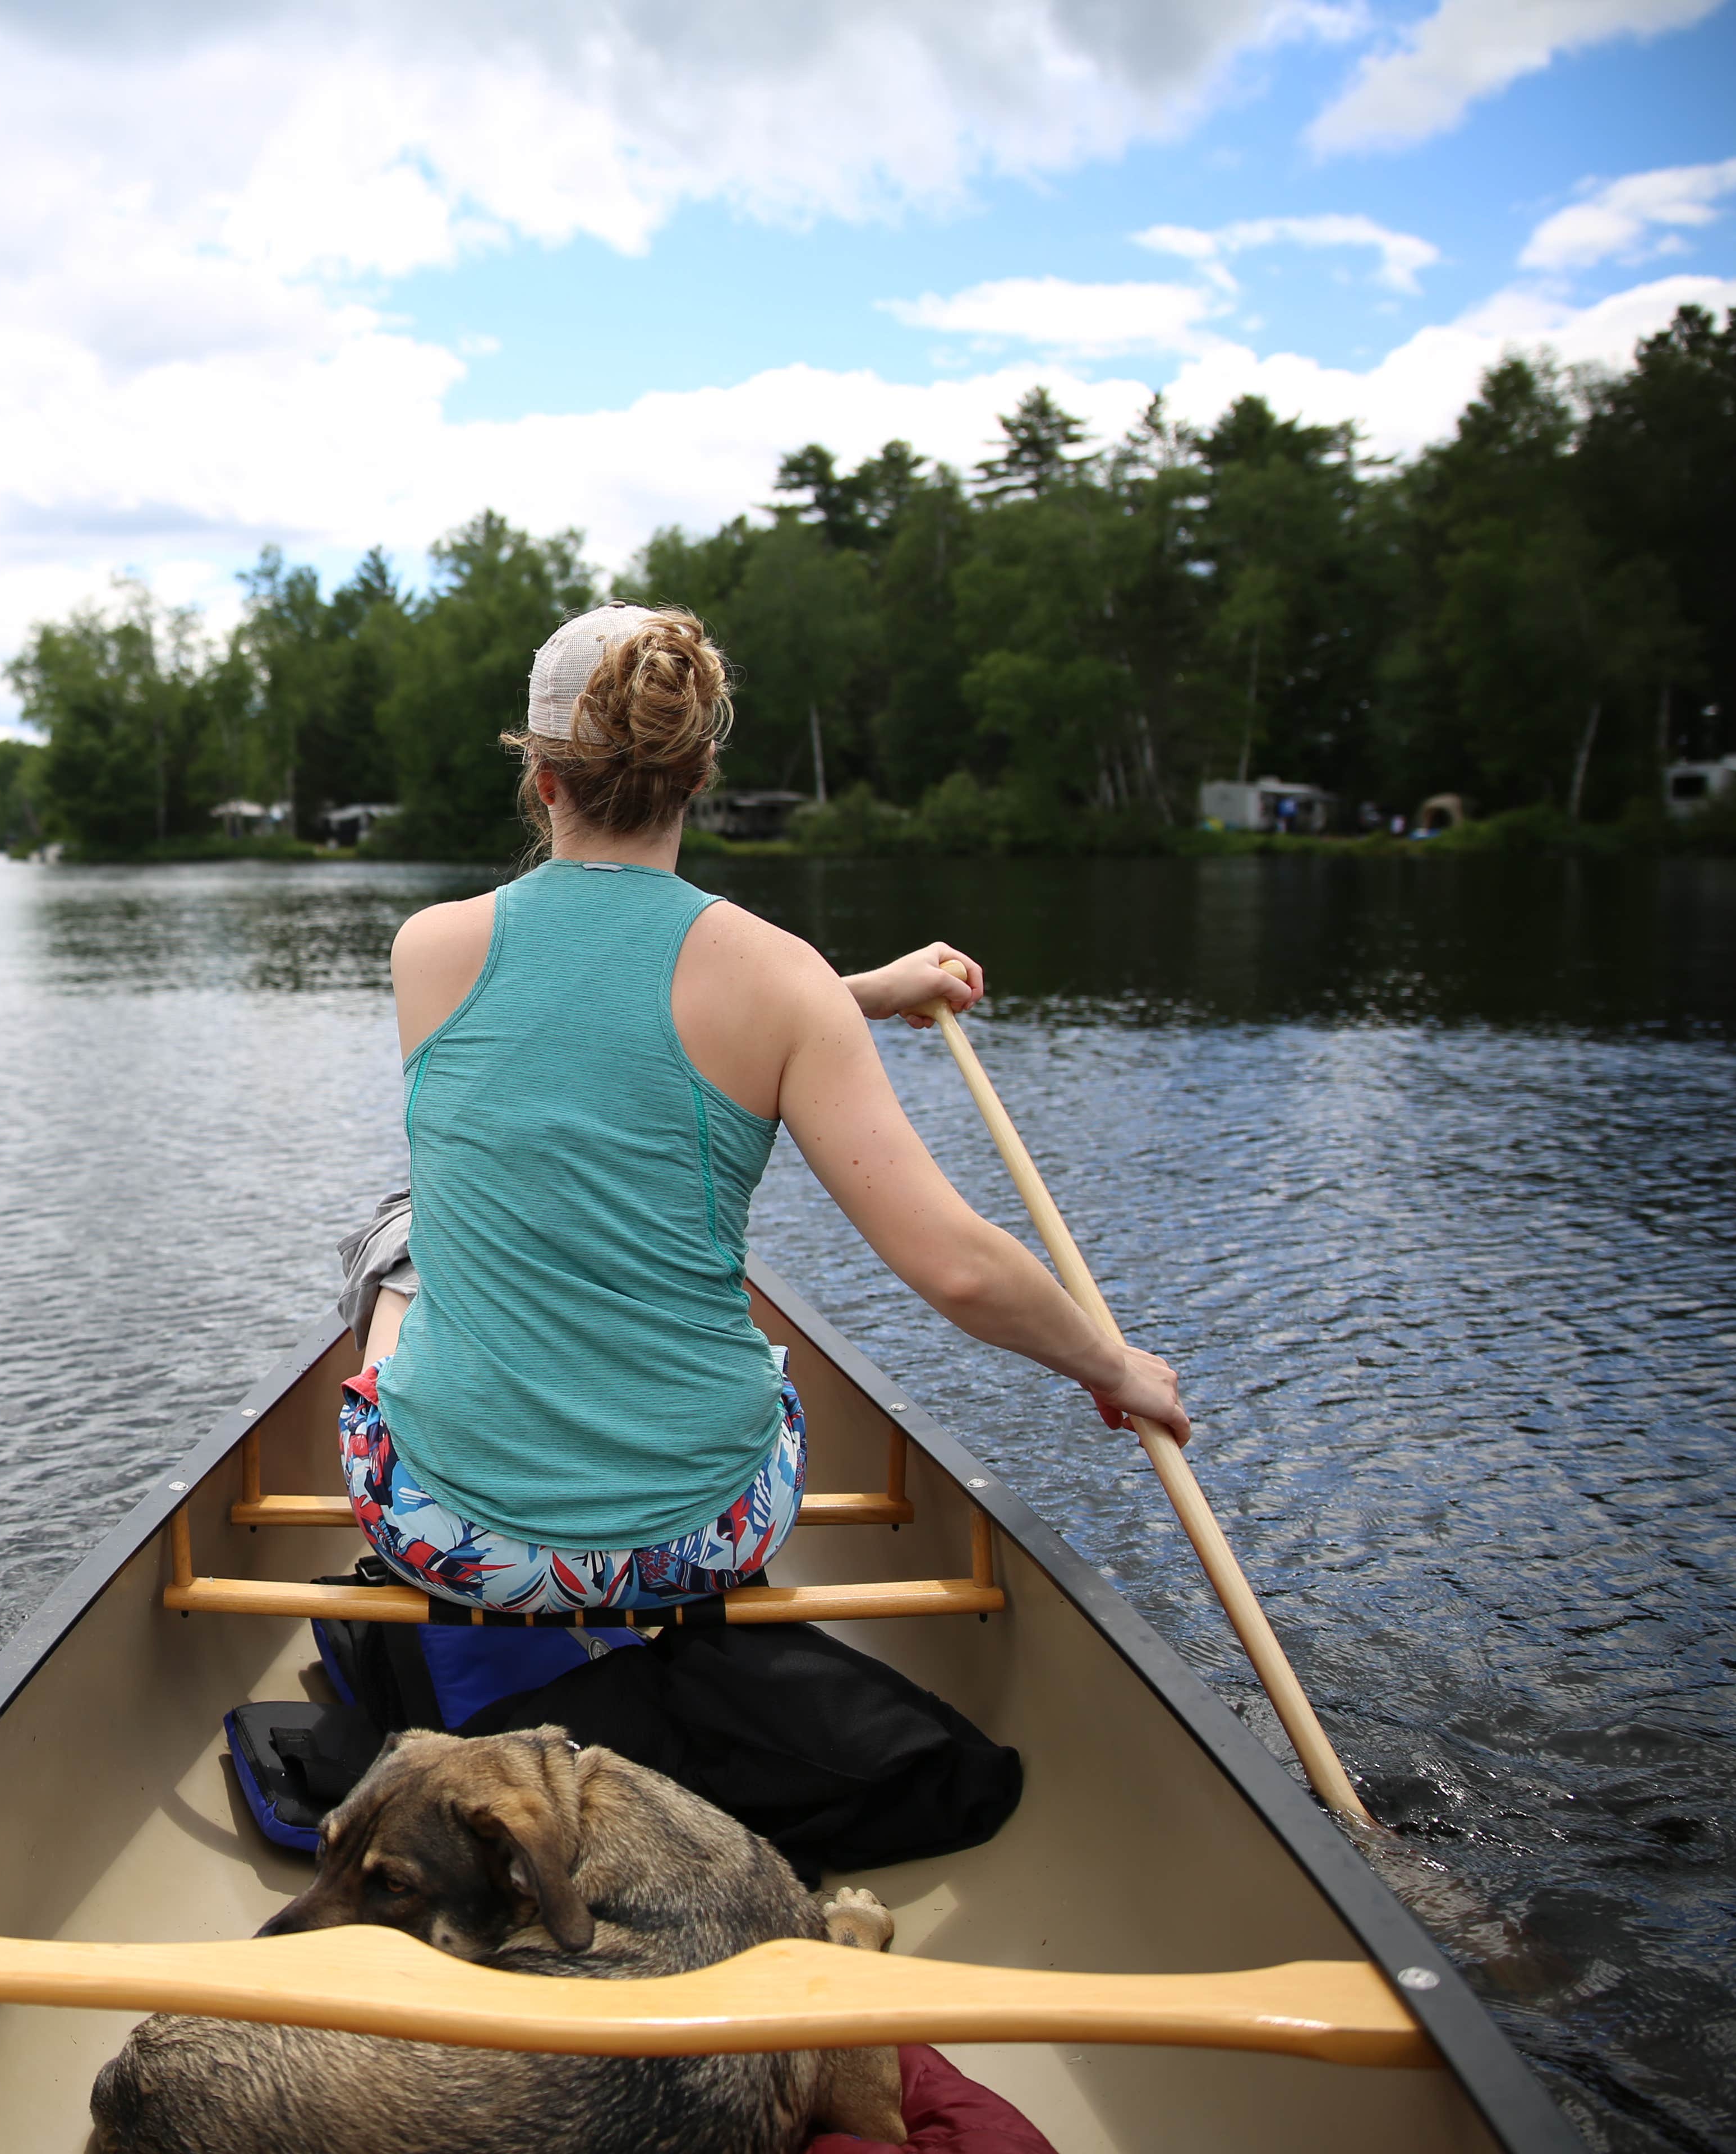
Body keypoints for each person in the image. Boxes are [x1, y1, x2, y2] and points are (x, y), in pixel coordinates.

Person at [344, 602, 1185, 1616]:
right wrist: (1113, 1365)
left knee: (407, 1236)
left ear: (543, 777)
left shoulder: (426, 951)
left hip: (448, 1532)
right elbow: (958, 1268)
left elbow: (592, 1004)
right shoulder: (787, 984)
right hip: (703, 1537)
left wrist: (852, 995)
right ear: (700, 776)